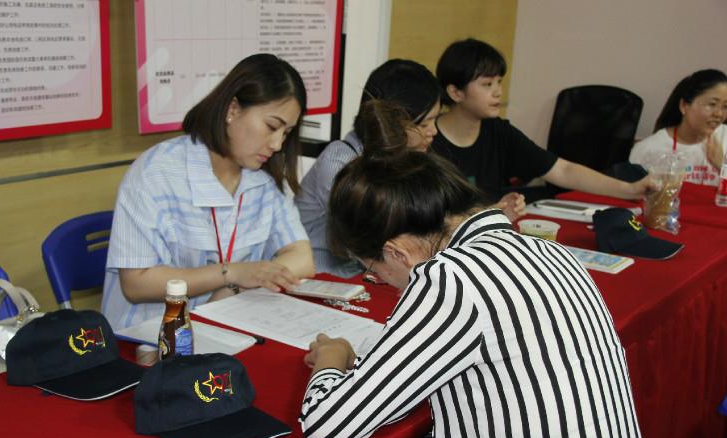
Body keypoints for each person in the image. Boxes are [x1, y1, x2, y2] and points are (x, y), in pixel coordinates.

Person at [299, 100, 659, 438]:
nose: (382, 282)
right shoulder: (550, 251)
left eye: (373, 271)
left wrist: (332, 359)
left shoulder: (450, 279)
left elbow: (330, 423)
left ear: (397, 252)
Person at [103, 54, 315, 330]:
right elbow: (136, 284)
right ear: (232, 109)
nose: (277, 144)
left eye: (286, 133)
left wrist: (233, 288)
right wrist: (230, 274)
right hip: (151, 336)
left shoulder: (264, 178)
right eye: (272, 127)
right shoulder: (156, 173)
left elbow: (302, 258)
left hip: (229, 327)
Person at [432, 38, 658, 209]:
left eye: (499, 82)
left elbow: (563, 170)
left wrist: (630, 189)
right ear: (455, 92)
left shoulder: (498, 131)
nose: (498, 91)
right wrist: (491, 212)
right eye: (487, 84)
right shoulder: (428, 140)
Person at [295, 59, 442, 276]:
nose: (434, 131)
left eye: (435, 120)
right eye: (423, 124)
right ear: (390, 120)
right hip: (321, 276)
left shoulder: (408, 158)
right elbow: (376, 238)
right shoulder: (340, 163)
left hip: (372, 272)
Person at [630, 69, 727, 185]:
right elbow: (631, 192)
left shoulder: (724, 137)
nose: (719, 114)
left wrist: (721, 165)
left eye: (725, 106)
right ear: (684, 105)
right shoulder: (648, 149)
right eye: (712, 104)